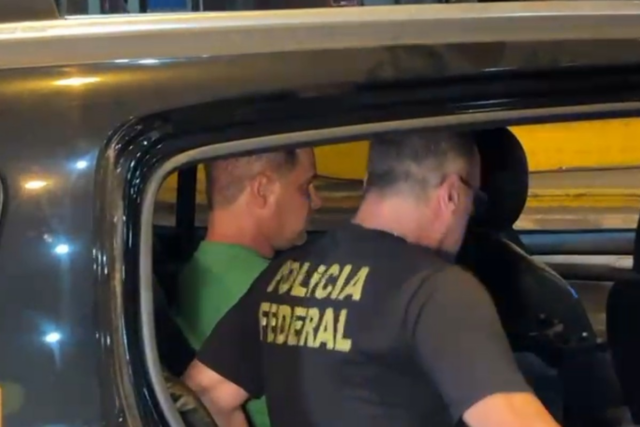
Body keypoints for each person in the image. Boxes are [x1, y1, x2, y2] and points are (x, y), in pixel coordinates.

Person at [183, 130, 560, 427]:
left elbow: (205, 394)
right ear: (451, 195)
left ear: (368, 182)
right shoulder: (436, 288)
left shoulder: (284, 275)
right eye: (473, 202)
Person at [174, 147, 321, 427]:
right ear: (262, 190)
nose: (317, 201)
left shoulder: (196, 271)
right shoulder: (282, 291)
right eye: (305, 186)